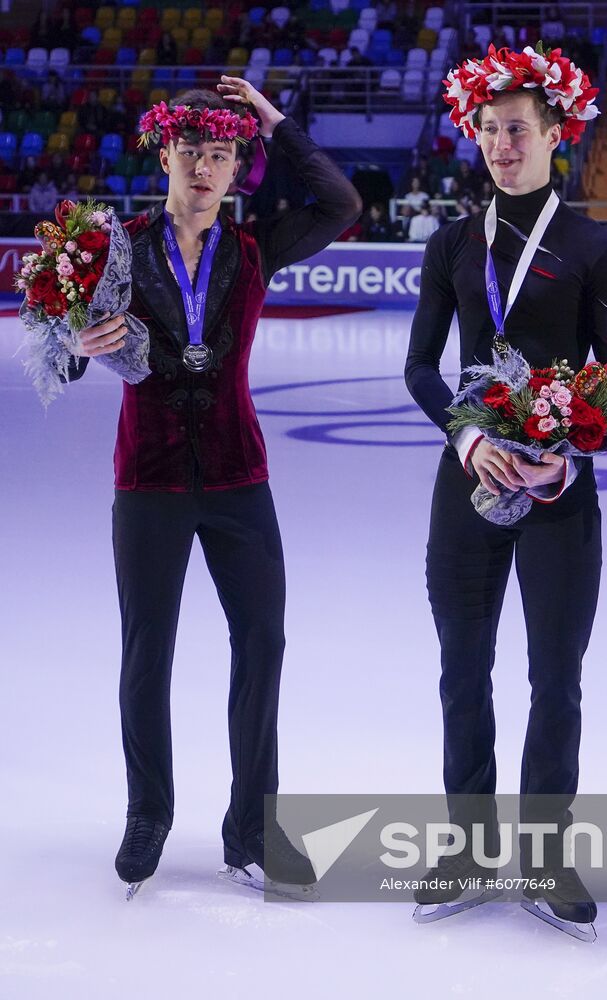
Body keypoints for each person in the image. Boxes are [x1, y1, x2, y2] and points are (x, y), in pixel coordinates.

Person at [60, 81, 361, 895]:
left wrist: (275, 122)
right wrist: (81, 344)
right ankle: (147, 813)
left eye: (222, 153)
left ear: (237, 168)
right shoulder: (112, 248)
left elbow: (340, 203)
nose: (204, 166)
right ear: (165, 154)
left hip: (237, 476)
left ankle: (252, 828)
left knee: (263, 643)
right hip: (149, 478)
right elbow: (53, 359)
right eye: (191, 150)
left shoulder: (258, 249)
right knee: (145, 653)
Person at [405, 44, 607, 937]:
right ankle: (466, 846)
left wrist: (568, 455)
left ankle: (545, 854)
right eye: (491, 131)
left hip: (556, 494)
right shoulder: (453, 243)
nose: (503, 145)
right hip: (466, 487)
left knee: (555, 680)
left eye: (518, 131)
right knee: (465, 671)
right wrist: (466, 439)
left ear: (554, 137)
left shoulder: (593, 245)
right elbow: (422, 367)